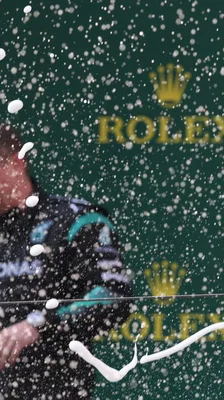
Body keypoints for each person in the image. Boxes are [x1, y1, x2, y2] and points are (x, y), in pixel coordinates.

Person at [0, 124, 133, 399]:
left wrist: (37, 325)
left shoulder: (73, 219)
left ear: (17, 161)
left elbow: (114, 294)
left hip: (55, 388)